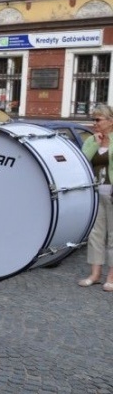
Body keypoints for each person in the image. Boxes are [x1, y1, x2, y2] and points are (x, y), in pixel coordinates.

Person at [78, 104, 113, 292]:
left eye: (98, 119)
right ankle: (95, 274)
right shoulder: (91, 140)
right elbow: (82, 162)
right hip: (95, 193)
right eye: (93, 119)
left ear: (110, 121)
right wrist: (96, 145)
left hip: (112, 192)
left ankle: (111, 276)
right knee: (95, 235)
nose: (94, 123)